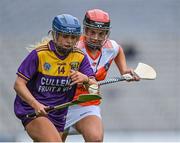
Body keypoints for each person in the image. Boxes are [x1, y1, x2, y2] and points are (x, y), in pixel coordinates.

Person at [13, 14, 97, 142]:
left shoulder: (80, 57)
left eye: (73, 37)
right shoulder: (39, 55)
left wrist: (86, 79)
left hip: (59, 113)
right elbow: (18, 84)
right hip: (33, 111)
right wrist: (35, 104)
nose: (69, 41)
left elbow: (95, 91)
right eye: (65, 36)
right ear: (54, 34)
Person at [62, 9, 140, 142]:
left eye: (101, 33)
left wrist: (124, 70)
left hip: (86, 103)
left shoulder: (111, 47)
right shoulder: (72, 47)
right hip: (61, 102)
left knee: (95, 139)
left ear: (106, 34)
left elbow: (118, 49)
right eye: (92, 32)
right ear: (85, 30)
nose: (96, 37)